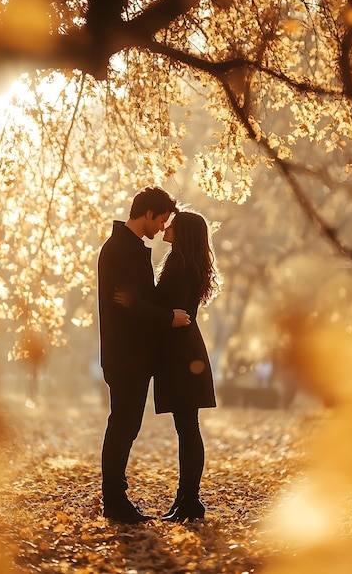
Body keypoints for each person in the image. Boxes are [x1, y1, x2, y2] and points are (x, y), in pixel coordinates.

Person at [97, 187, 191, 524]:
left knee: (125, 425)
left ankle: (115, 497)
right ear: (148, 214)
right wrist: (169, 317)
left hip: (130, 355)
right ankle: (114, 501)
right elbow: (129, 304)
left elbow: (135, 301)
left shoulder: (131, 247)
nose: (163, 225)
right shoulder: (121, 249)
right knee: (122, 425)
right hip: (126, 356)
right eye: (162, 218)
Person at [153, 210, 221, 522]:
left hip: (181, 354)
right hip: (185, 350)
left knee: (188, 428)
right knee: (188, 427)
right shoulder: (187, 262)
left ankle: (190, 501)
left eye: (173, 224)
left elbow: (164, 305)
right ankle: (187, 499)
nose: (166, 227)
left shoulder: (178, 262)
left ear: (184, 233)